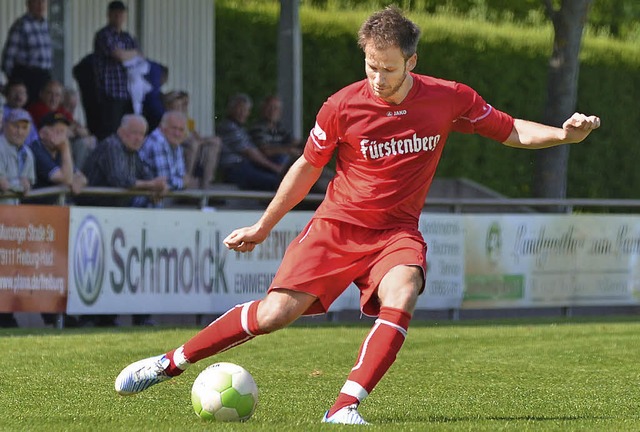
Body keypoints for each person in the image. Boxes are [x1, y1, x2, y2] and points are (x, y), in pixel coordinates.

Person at [114, 7, 601, 425]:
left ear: (412, 62)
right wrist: (264, 227)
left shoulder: (449, 97)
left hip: (395, 233)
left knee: (404, 289)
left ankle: (343, 407)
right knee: (273, 314)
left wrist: (564, 135)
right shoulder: (342, 105)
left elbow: (511, 129)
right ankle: (167, 363)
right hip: (336, 227)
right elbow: (307, 167)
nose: (378, 78)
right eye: (371, 66)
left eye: (388, 69)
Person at [81, 114, 167, 208]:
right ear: (120, 132)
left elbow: (147, 176)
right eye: (134, 133)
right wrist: (150, 184)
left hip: (113, 210)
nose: (138, 138)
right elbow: (119, 180)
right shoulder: (112, 145)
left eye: (141, 134)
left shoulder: (133, 153)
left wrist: (159, 186)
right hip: (90, 208)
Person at [216, 93, 284, 191]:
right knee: (275, 182)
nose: (243, 113)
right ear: (231, 109)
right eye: (240, 109)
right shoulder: (228, 127)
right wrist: (275, 168)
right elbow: (250, 152)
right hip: (234, 169)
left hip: (246, 166)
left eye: (246, 110)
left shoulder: (241, 129)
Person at [93, 0, 140, 140]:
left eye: (121, 14)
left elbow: (140, 56)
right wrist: (132, 54)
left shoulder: (127, 37)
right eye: (115, 14)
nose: (118, 17)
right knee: (111, 133)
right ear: (109, 15)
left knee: (129, 132)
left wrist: (131, 54)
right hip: (111, 93)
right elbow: (118, 54)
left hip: (129, 93)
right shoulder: (103, 34)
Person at [163, 91, 221, 188]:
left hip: (191, 142)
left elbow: (196, 135)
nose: (183, 107)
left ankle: (206, 184)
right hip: (182, 144)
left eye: (184, 105)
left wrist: (206, 140)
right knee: (194, 144)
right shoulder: (166, 119)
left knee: (215, 142)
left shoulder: (188, 120)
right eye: (180, 105)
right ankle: (187, 179)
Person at [1, 0, 52, 105]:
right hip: (27, 77)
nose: (40, 5)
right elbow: (8, 58)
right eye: (37, 2)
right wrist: (15, 82)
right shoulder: (21, 25)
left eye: (43, 2)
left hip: (44, 76)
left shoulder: (45, 25)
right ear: (28, 4)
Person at [136, 110, 190, 207]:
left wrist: (180, 181)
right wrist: (183, 182)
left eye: (181, 130)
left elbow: (180, 175)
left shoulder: (175, 144)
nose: (177, 133)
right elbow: (164, 182)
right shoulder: (158, 142)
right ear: (162, 128)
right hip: (141, 202)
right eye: (174, 128)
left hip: (159, 201)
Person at [0, 108, 35, 205]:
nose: (20, 132)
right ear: (5, 124)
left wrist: (13, 184)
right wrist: (21, 184)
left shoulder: (28, 153)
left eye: (24, 127)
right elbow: (2, 184)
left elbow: (28, 185)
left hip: (13, 212)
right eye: (15, 126)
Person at [2, 79, 39, 146]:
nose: (19, 96)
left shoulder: (27, 115)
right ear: (6, 95)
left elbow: (34, 139)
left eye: (22, 93)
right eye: (15, 92)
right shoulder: (1, 112)